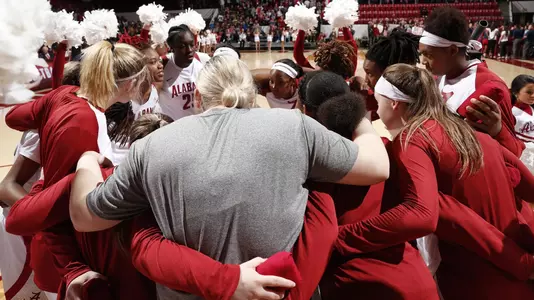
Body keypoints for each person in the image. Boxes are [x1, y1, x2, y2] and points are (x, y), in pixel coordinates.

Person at [69, 55, 390, 300]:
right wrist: (355, 113)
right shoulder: (295, 127)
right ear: (252, 96)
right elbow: (377, 166)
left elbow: (85, 217)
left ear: (197, 97)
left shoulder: (149, 147)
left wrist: (85, 163)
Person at [370, 63, 534, 300]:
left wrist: (523, 263)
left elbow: (452, 216)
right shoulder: (470, 132)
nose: (376, 111)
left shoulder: (411, 142)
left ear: (394, 103)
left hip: (478, 278)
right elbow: (526, 183)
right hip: (518, 272)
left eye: (378, 103)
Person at [5, 40, 149, 299]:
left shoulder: (66, 94)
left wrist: (46, 118)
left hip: (64, 251)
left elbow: (13, 117)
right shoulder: (82, 123)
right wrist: (74, 269)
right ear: (128, 84)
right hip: (67, 258)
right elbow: (56, 212)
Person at [419, 7, 524, 157]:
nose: (423, 62)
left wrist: (498, 131)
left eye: (428, 55)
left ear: (453, 51)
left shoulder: (489, 86)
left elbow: (515, 153)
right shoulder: (438, 76)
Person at [157, 25, 204, 121]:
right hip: (172, 128)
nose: (190, 50)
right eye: (182, 46)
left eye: (192, 44)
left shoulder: (202, 60)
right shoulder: (162, 65)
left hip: (197, 124)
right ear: (172, 48)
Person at [510, 74, 534, 144]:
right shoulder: (511, 112)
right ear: (516, 92)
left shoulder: (531, 108)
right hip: (519, 151)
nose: (533, 95)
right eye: (529, 92)